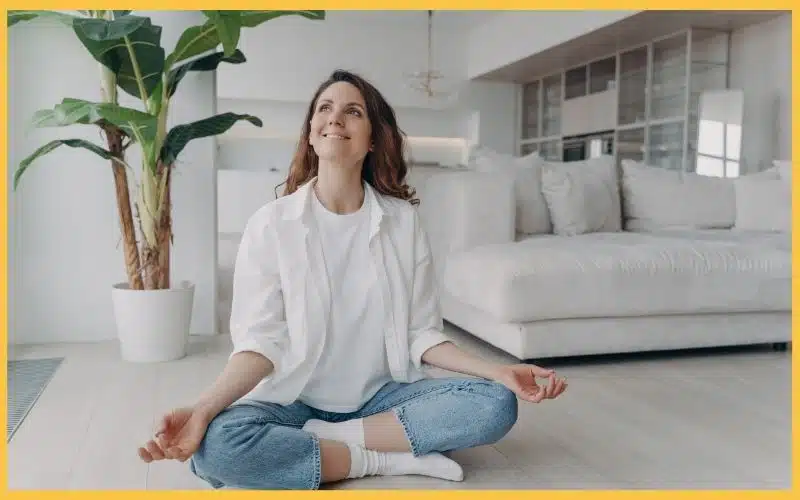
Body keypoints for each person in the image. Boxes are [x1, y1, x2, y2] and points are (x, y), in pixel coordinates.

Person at [137, 69, 567, 490]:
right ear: (310, 133)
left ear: (373, 138)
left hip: (382, 397)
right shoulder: (271, 225)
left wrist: (498, 370)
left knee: (495, 404)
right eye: (325, 108)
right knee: (216, 447)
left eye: (353, 111)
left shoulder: (403, 223)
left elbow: (422, 335)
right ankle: (384, 458)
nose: (335, 117)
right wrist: (203, 410)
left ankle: (328, 449)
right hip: (294, 402)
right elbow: (259, 344)